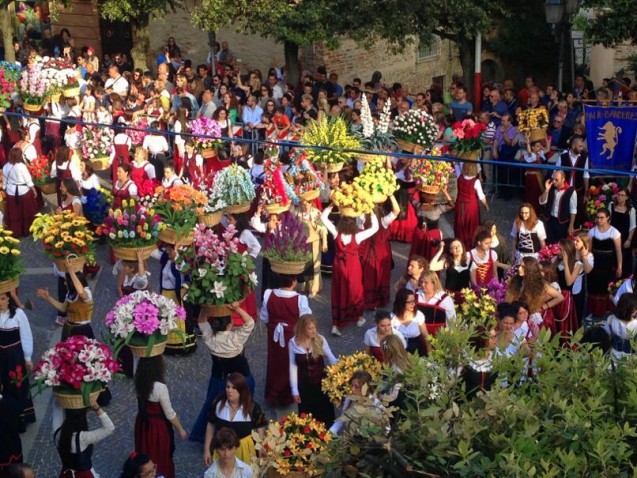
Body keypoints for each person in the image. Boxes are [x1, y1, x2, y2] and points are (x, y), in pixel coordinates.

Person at [190, 303, 255, 444]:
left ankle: (213, 437)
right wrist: (237, 308)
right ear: (230, 325)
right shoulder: (236, 339)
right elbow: (250, 322)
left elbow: (201, 321)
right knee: (243, 406)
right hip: (241, 379)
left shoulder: (210, 339)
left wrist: (205, 306)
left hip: (220, 380)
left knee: (215, 407)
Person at [321, 205, 379, 336]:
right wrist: (371, 212)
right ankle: (358, 317)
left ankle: (336, 324)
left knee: (338, 291)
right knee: (355, 291)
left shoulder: (336, 232)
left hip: (339, 266)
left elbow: (323, 218)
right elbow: (375, 228)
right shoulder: (358, 236)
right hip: (354, 267)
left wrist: (330, 206)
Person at [260, 275, 311, 408]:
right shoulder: (300, 299)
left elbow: (264, 317)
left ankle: (273, 394)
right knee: (291, 363)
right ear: (294, 282)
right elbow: (306, 321)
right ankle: (287, 395)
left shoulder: (269, 294)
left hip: (274, 336)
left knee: (274, 362)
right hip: (292, 337)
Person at [134, 355, 188, 478]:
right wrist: (180, 429)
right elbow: (169, 413)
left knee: (144, 449)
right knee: (160, 455)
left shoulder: (138, 380)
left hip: (142, 423)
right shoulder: (160, 387)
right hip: (157, 427)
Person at [203, 374, 266, 466]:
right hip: (222, 450)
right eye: (228, 387)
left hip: (245, 450)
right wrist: (207, 449)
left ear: (242, 390)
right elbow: (211, 424)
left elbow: (260, 427)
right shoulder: (218, 403)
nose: (229, 391)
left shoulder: (252, 407)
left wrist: (261, 448)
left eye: (234, 388)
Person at [289, 314, 337, 427]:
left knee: (325, 414)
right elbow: (292, 366)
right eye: (310, 328)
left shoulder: (320, 340)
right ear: (302, 329)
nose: (313, 331)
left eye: (314, 327)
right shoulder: (293, 343)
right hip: (304, 386)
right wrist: (294, 389)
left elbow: (331, 358)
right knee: (308, 417)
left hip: (321, 384)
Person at [53, 396, 114, 478]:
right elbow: (109, 428)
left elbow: (56, 406)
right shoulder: (83, 438)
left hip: (65, 474)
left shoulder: (58, 432)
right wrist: (96, 407)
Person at [0, 292, 34, 433]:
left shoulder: (18, 314)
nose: (0, 302)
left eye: (2, 298)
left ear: (8, 298)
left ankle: (21, 418)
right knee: (3, 385)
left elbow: (26, 336)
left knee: (17, 385)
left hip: (15, 356)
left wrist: (28, 357)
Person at [360, 197, 400, 310]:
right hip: (382, 252)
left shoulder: (362, 219)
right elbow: (396, 210)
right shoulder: (384, 220)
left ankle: (368, 300)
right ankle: (380, 300)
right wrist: (391, 195)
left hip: (366, 251)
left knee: (368, 276)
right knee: (381, 275)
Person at [37, 262, 94, 340]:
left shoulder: (86, 292)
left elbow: (80, 292)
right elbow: (63, 308)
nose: (64, 283)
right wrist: (48, 297)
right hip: (68, 328)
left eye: (66, 281)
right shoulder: (70, 294)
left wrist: (70, 271)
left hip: (82, 329)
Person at [588, 208, 622, 317]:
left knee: (606, 287)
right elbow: (589, 249)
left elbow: (618, 250)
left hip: (608, 264)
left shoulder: (614, 232)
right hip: (595, 264)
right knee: (594, 287)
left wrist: (619, 266)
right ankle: (595, 310)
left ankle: (606, 310)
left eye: (602, 217)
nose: (599, 220)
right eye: (597, 217)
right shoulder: (592, 231)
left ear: (608, 218)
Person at [294, 198, 328, 298]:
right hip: (301, 242)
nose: (304, 206)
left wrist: (324, 243)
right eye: (302, 204)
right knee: (303, 264)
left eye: (306, 204)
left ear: (310, 204)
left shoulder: (316, 213)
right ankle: (303, 287)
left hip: (314, 241)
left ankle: (313, 289)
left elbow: (323, 228)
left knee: (314, 264)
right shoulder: (297, 213)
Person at [410, 188, 453, 262]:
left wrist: (417, 187)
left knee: (418, 254)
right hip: (433, 235)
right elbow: (452, 205)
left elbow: (410, 195)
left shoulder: (418, 205)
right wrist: (445, 192)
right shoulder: (437, 209)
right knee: (431, 256)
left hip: (420, 233)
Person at [2, 148, 38, 237]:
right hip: (23, 192)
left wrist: (4, 189)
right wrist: (33, 189)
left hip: (11, 192)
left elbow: (4, 180)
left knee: (14, 212)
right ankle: (26, 230)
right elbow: (28, 180)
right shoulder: (21, 166)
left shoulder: (6, 166)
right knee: (26, 212)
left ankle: (15, 231)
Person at [454, 161, 488, 249]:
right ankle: (471, 243)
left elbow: (456, 165)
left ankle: (460, 243)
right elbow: (481, 197)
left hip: (460, 204)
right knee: (471, 225)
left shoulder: (459, 176)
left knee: (460, 224)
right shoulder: (476, 181)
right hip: (471, 207)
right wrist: (486, 206)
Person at [539, 170, 577, 244]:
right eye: (553, 179)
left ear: (563, 179)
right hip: (550, 220)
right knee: (549, 242)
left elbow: (573, 210)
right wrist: (546, 189)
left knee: (561, 244)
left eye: (557, 180)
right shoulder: (550, 188)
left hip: (562, 222)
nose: (554, 181)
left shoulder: (571, 191)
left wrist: (571, 225)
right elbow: (541, 201)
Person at [390, 288, 430, 356]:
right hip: (398, 354)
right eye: (410, 302)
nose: (413, 304)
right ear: (401, 302)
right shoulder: (392, 317)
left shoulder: (418, 315)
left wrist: (430, 356)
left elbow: (426, 338)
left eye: (414, 301)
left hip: (416, 354)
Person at [461, 327, 497, 400]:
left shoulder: (494, 358)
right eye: (492, 337)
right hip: (466, 404)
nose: (495, 340)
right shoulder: (466, 359)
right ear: (482, 339)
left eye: (495, 336)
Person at [416, 269, 456, 335]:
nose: (423, 285)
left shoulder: (445, 299)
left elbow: (451, 320)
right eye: (421, 282)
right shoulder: (416, 295)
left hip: (437, 336)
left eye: (426, 282)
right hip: (417, 334)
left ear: (434, 283)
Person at [609, 188, 635, 278]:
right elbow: (608, 221)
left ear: (627, 197)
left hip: (624, 239)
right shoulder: (611, 205)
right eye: (618, 194)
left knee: (624, 261)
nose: (619, 197)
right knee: (612, 260)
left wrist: (629, 240)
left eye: (622, 195)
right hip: (612, 238)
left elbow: (632, 226)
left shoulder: (631, 210)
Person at [604, 292, 637, 359]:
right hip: (630, 358)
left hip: (613, 355)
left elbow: (608, 337)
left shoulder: (611, 319)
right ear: (632, 309)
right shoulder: (635, 324)